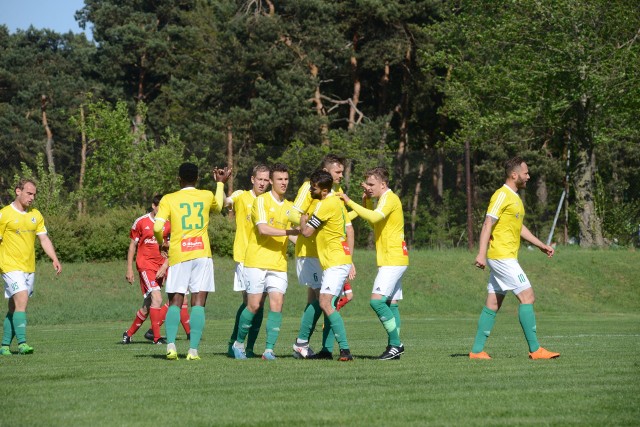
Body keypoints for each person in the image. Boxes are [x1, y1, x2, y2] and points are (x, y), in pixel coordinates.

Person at [470, 156, 560, 360]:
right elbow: (487, 224)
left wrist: (541, 245)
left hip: (505, 256)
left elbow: (519, 228)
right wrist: (481, 253)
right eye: (526, 173)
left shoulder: (515, 198)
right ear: (514, 175)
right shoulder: (501, 195)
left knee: (493, 303)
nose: (528, 176)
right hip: (502, 257)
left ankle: (476, 351)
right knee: (527, 296)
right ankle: (536, 350)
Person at [153, 162, 230, 360]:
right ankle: (193, 350)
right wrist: (220, 183)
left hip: (179, 254)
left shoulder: (169, 199)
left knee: (175, 302)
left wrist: (163, 243)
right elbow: (220, 206)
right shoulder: (205, 195)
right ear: (197, 179)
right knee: (198, 302)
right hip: (201, 254)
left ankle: (170, 347)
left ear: (179, 179)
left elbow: (156, 227)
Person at [231, 163, 299, 360]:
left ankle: (269, 350)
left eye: (286, 179)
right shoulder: (260, 201)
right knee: (253, 305)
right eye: (279, 179)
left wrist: (312, 245)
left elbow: (295, 237)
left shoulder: (290, 207)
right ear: (271, 181)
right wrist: (290, 232)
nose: (284, 183)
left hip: (278, 263)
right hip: (256, 261)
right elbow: (263, 229)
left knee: (277, 303)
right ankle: (238, 344)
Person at [340, 167, 408, 360]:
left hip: (393, 259)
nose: (368, 187)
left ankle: (396, 344)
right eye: (367, 184)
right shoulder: (383, 200)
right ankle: (393, 347)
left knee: (376, 301)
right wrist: (367, 201)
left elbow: (373, 217)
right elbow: (375, 224)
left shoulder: (389, 198)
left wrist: (349, 201)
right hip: (394, 258)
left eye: (372, 184)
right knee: (391, 304)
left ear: (383, 184)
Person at [290, 154, 354, 360]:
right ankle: (325, 349)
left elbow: (308, 230)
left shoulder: (328, 201)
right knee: (325, 302)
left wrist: (303, 221)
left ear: (322, 188)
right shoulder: (325, 196)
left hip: (333, 260)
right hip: (322, 257)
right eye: (338, 172)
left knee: (324, 302)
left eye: (314, 189)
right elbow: (293, 212)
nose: (311, 191)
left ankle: (338, 349)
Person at [0, 179, 62, 355]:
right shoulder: (4, 214)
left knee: (14, 307)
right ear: (18, 191)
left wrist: (54, 258)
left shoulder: (36, 215)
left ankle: (4, 346)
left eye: (34, 194)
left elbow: (43, 239)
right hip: (9, 265)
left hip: (28, 267)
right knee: (22, 299)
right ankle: (22, 343)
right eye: (29, 193)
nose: (32, 197)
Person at [122, 195, 191, 345]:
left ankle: (128, 334)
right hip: (145, 265)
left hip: (162, 266)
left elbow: (173, 246)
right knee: (158, 298)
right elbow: (132, 246)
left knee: (150, 304)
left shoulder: (169, 224)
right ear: (154, 206)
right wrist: (129, 269)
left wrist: (165, 264)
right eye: (161, 207)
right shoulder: (141, 222)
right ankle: (156, 337)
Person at [224, 165, 271, 358]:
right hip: (245, 256)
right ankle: (235, 343)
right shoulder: (241, 196)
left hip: (266, 256)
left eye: (266, 180)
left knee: (260, 303)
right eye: (259, 179)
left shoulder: (270, 201)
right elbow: (223, 203)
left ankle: (249, 347)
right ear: (252, 179)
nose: (262, 183)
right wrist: (221, 184)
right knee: (250, 302)